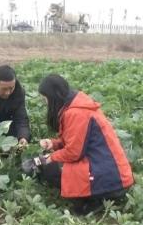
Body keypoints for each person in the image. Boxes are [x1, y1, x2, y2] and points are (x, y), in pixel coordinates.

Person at [36, 74, 134, 215]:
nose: (45, 102)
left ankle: (93, 201)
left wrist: (50, 158)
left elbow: (74, 152)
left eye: (45, 98)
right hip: (113, 175)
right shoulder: (75, 106)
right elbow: (77, 141)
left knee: (49, 168)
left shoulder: (76, 113)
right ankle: (92, 197)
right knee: (50, 164)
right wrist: (54, 143)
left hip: (112, 181)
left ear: (53, 96)